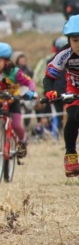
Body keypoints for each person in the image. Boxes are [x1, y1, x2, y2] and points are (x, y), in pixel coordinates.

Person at [0, 42, 35, 161]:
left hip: (13, 101)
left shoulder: (15, 72)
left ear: (7, 61)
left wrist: (31, 92)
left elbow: (30, 82)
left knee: (16, 125)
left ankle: (23, 141)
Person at [44, 16, 79, 176]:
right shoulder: (64, 54)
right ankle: (70, 153)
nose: (78, 45)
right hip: (74, 89)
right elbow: (49, 77)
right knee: (73, 117)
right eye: (75, 40)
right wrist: (50, 91)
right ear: (69, 40)